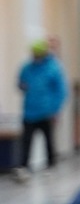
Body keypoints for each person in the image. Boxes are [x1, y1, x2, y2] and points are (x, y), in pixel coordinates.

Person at [15, 38, 68, 180]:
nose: (35, 56)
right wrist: (21, 86)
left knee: (48, 140)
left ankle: (51, 164)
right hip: (29, 110)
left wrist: (56, 109)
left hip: (47, 111)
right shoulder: (27, 67)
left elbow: (61, 91)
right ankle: (23, 166)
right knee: (26, 140)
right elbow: (20, 82)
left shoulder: (53, 68)